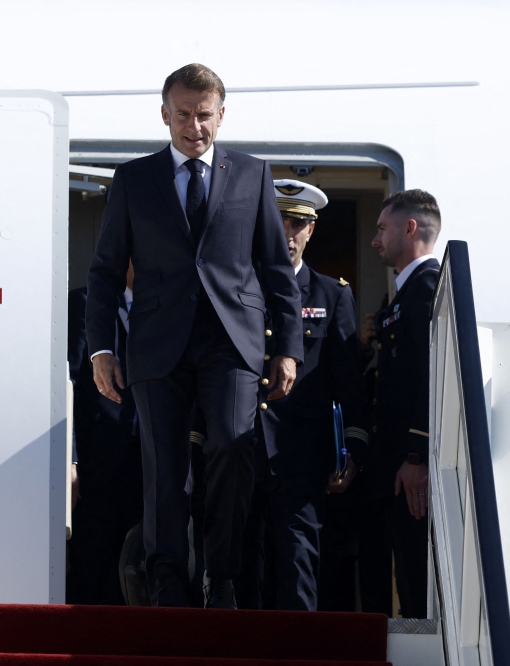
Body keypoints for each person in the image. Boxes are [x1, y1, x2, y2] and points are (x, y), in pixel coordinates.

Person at [85, 63, 303, 609]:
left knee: (233, 442)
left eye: (205, 115)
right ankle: (167, 583)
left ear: (221, 115)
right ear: (165, 114)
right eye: (183, 114)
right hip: (158, 344)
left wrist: (288, 348)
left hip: (232, 341)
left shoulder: (252, 174)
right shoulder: (134, 179)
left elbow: (277, 268)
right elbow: (106, 272)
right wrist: (102, 348)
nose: (195, 125)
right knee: (166, 468)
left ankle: (222, 574)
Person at [230, 180, 371, 611]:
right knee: (239, 573)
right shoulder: (235, 290)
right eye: (279, 222)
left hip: (302, 458)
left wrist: (352, 448)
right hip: (240, 451)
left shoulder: (333, 294)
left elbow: (349, 380)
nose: (288, 233)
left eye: (298, 224)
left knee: (297, 571)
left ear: (312, 231)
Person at [356, 189, 441, 618]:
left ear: (409, 229)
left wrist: (416, 454)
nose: (375, 240)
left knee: (414, 581)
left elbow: (431, 377)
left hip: (408, 468)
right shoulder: (401, 299)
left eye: (382, 228)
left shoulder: (426, 288)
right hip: (389, 466)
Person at [66, 266, 143, 605]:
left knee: (142, 563)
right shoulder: (85, 304)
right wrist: (71, 457)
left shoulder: (172, 306)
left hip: (152, 460)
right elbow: (64, 386)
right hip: (98, 461)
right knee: (93, 561)